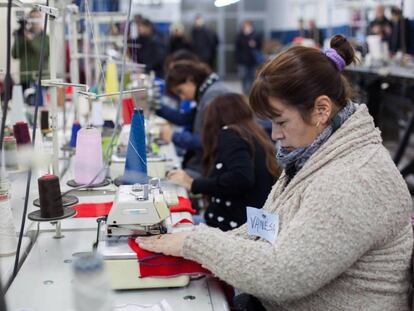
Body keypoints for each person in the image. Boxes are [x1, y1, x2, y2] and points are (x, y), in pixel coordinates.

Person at [137, 34, 413, 310]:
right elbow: (267, 228)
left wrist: (196, 243)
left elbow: (284, 275)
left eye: (280, 121)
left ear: (322, 110)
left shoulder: (353, 178)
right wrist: (193, 237)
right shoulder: (314, 154)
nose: (275, 134)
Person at [167, 93, 279, 231]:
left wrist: (193, 184)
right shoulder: (255, 133)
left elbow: (241, 177)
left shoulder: (230, 133)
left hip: (231, 228)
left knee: (170, 225)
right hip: (252, 225)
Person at [158, 60, 229, 178]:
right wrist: (157, 107)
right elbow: (184, 118)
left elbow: (209, 140)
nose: (182, 98)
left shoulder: (213, 96)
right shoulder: (206, 92)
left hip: (213, 168)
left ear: (190, 80)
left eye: (180, 91)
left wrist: (173, 136)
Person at [12, 9, 49, 91]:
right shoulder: (22, 36)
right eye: (32, 18)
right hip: (25, 79)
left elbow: (45, 53)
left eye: (37, 17)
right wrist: (20, 37)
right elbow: (15, 55)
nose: (34, 21)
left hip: (42, 79)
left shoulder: (46, 38)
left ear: (41, 19)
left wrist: (32, 39)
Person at [235, 20, 263, 95]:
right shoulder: (240, 36)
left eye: (248, 26)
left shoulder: (256, 35)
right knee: (243, 76)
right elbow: (237, 48)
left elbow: (260, 46)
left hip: (253, 60)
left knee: (252, 76)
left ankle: (251, 91)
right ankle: (244, 91)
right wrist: (237, 59)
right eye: (245, 26)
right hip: (242, 60)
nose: (247, 28)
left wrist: (255, 44)